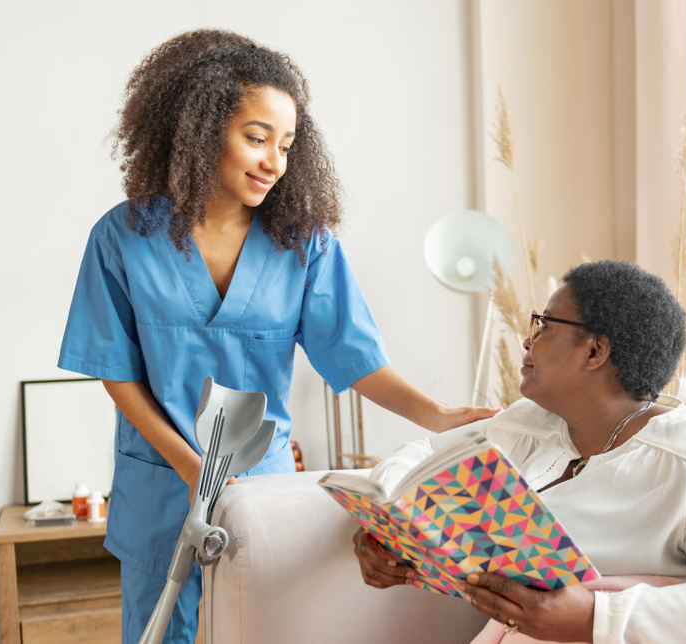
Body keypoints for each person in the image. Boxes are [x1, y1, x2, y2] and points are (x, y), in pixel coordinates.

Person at [58, 29, 496, 644]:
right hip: (161, 480)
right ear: (202, 128)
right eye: (256, 138)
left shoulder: (304, 244)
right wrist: (190, 467)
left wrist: (438, 414)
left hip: (258, 487)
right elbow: (117, 372)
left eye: (287, 146)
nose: (274, 162)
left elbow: (355, 356)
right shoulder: (123, 236)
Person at [353, 260, 686, 643]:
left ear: (595, 351)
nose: (527, 341)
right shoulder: (530, 426)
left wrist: (597, 617)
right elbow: (422, 453)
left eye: (544, 326)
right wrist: (383, 528)